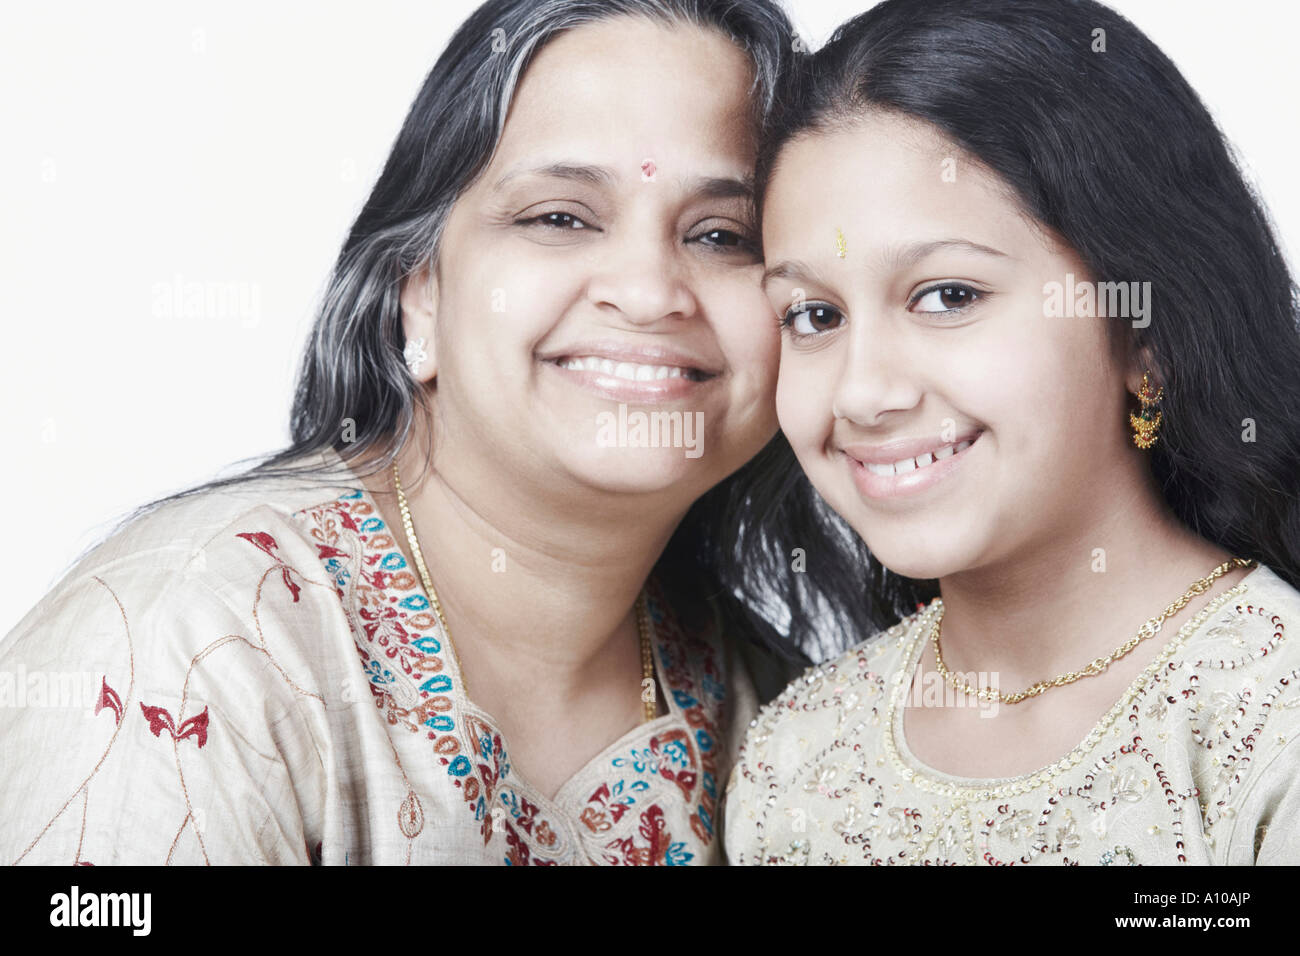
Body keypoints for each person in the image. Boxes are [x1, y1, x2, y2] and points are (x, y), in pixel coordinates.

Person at [0, 0, 817, 866]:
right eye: (562, 217)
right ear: (419, 292)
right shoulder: (189, 649)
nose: (652, 291)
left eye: (723, 235)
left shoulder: (767, 705)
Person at [723, 0, 1300, 865]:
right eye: (813, 314)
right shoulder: (792, 757)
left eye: (948, 295)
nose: (863, 392)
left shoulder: (1269, 722)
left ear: (1146, 337)